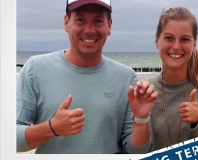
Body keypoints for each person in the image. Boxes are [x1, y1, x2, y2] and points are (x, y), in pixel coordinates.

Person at [16, 0, 158, 154]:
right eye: (80, 20)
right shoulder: (35, 69)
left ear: (109, 25)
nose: (89, 30)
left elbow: (136, 151)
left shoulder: (126, 78)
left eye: (97, 21)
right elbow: (12, 139)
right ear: (66, 22)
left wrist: (141, 119)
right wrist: (52, 128)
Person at [148, 7, 198, 151]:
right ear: (157, 41)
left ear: (194, 45)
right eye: (169, 38)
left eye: (184, 39)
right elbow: (136, 151)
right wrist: (139, 117)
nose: (176, 47)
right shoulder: (146, 92)